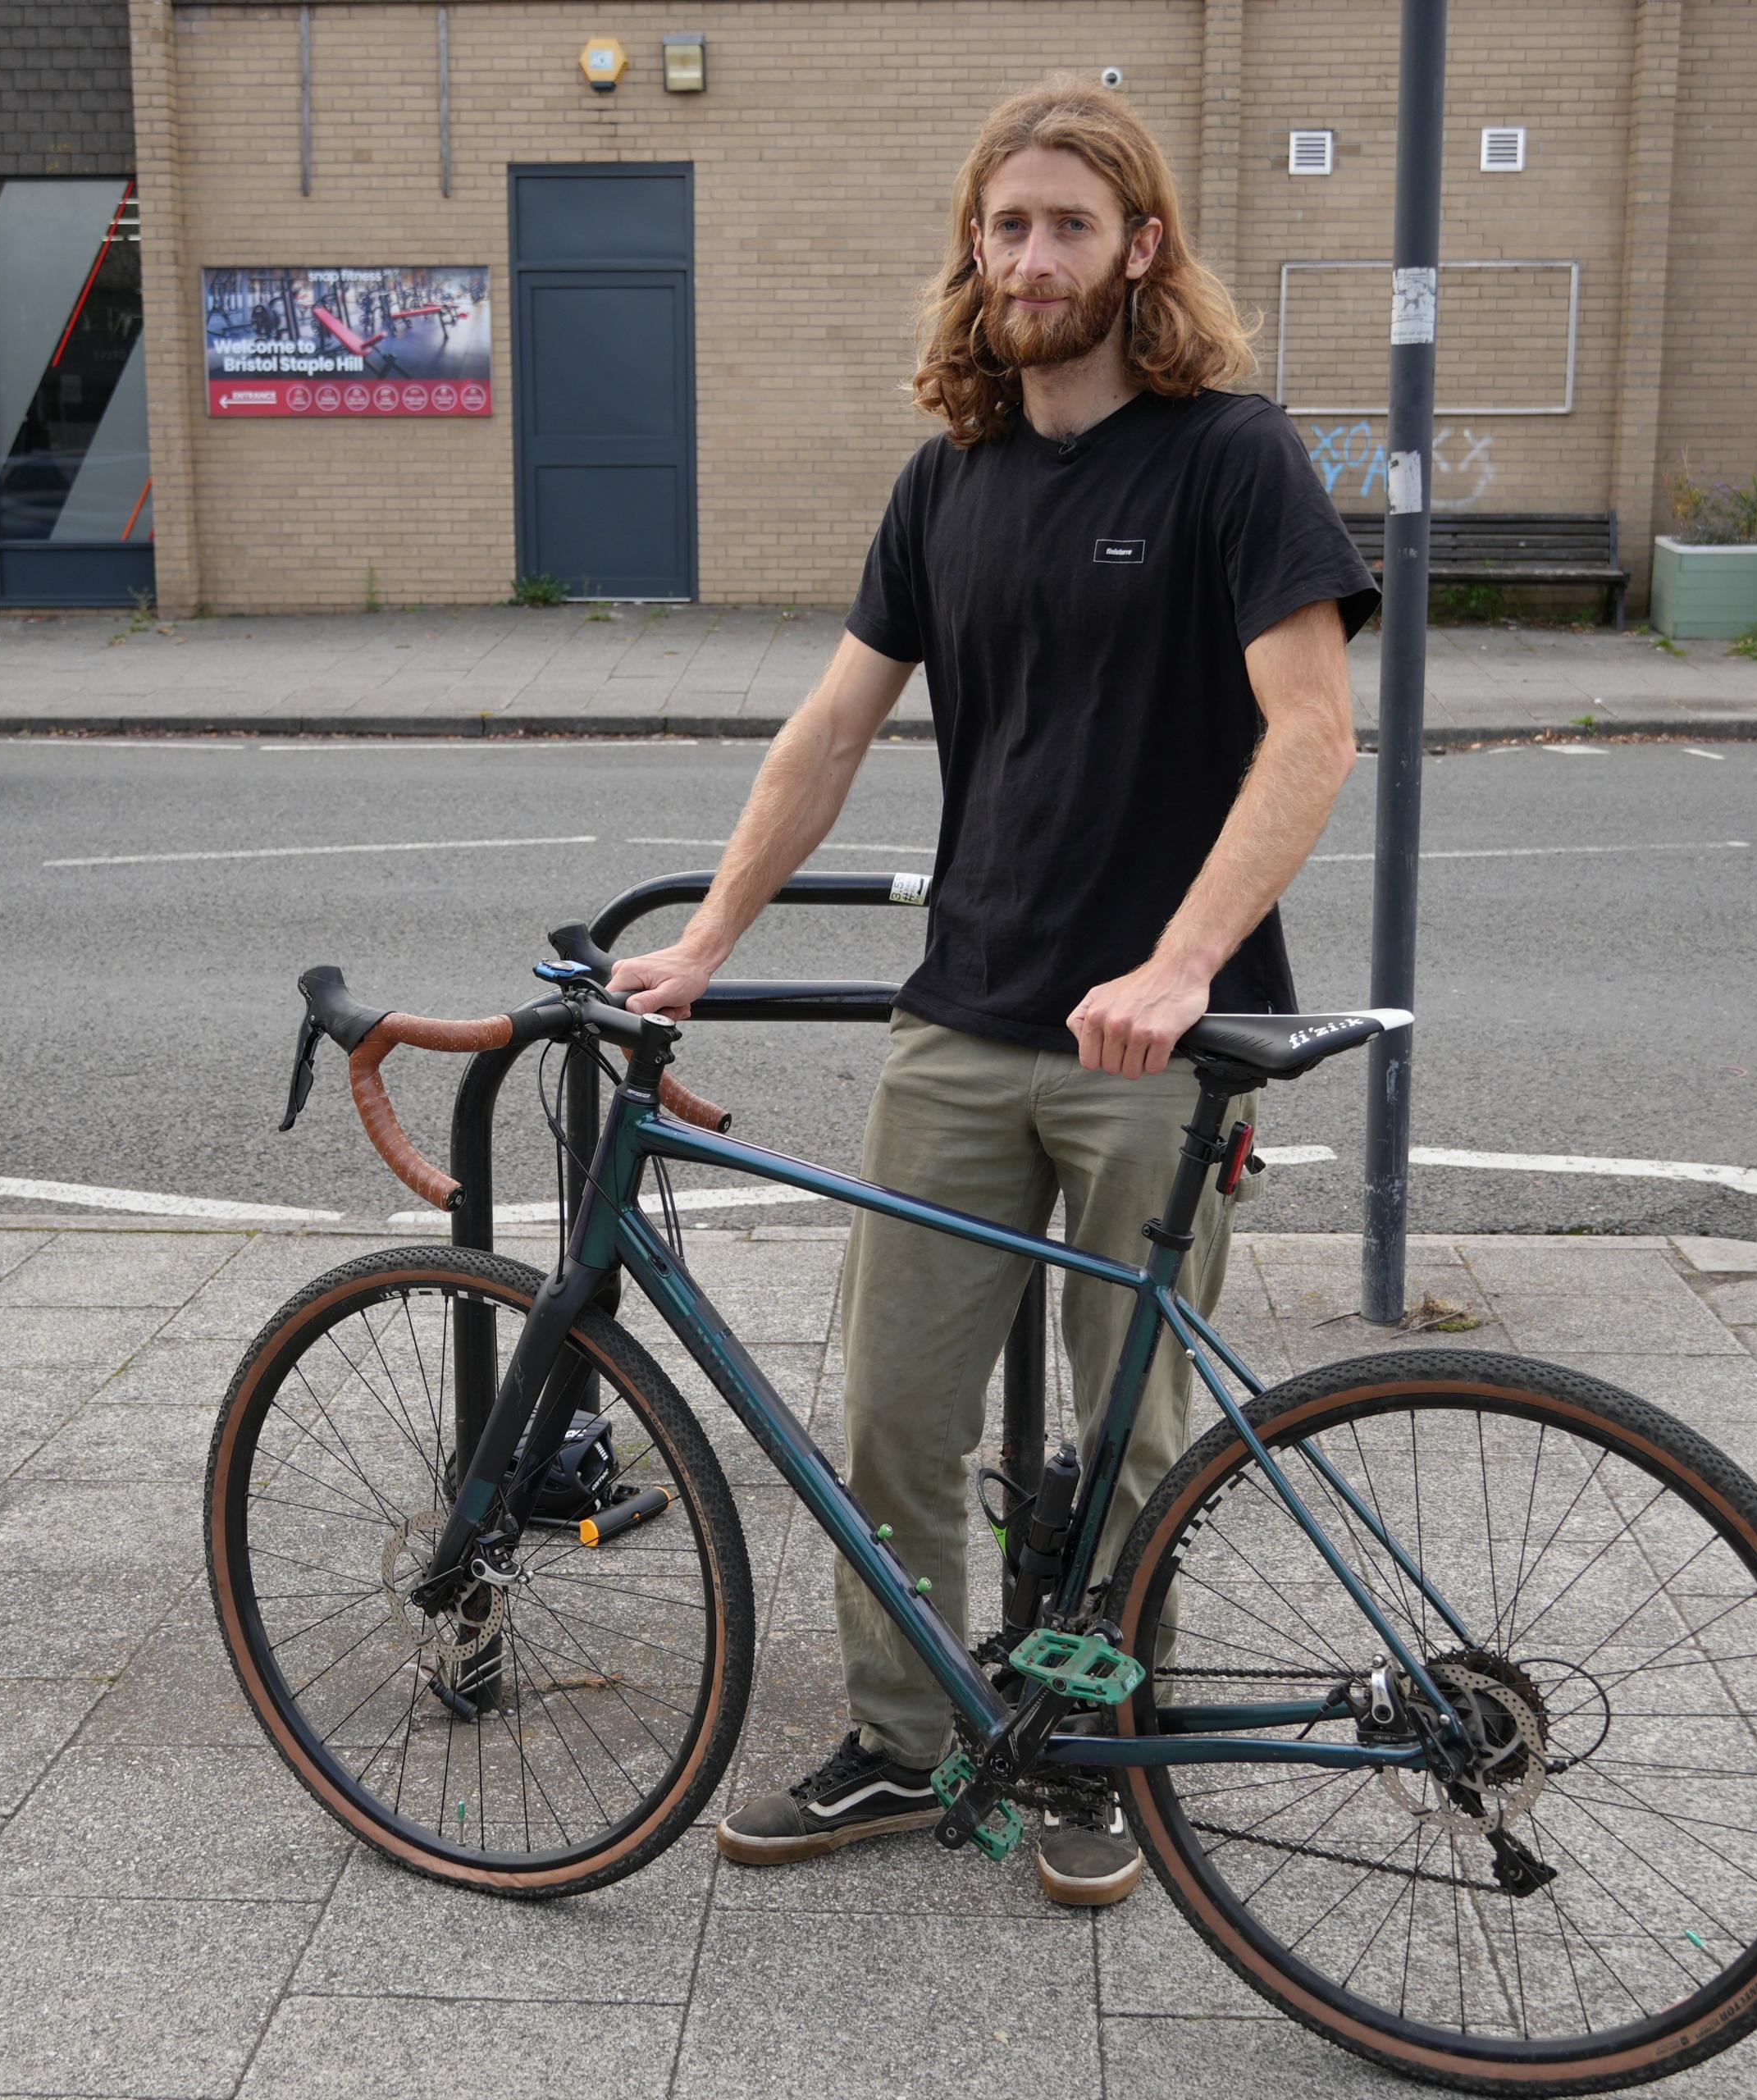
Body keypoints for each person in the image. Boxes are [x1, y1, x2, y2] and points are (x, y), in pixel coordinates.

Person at [609, 80, 1376, 1909]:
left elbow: (1313, 734)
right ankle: (903, 1732)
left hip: (1153, 1042)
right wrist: (710, 936)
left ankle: (1098, 1753)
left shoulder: (1231, 456)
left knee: (1131, 1438)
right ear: (977, 247)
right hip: (963, 1022)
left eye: (1070, 226)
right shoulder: (948, 478)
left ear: (1141, 251)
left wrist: (1182, 962)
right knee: (893, 1409)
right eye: (1007, 225)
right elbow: (833, 725)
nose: (1033, 256)